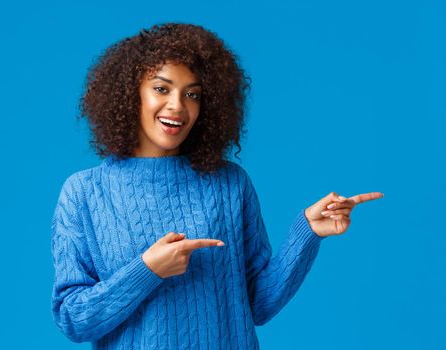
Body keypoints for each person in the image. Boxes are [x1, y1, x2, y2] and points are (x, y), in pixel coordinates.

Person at [50, 22, 383, 349]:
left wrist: (308, 232)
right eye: (162, 88)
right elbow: (73, 319)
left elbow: (258, 304)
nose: (177, 106)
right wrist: (148, 269)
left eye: (191, 94)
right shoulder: (84, 193)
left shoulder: (229, 184)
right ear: (131, 93)